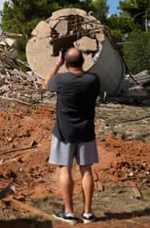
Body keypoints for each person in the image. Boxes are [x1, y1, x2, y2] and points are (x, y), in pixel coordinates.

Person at [43, 48, 100, 224]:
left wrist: (57, 64)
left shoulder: (60, 80)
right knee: (86, 169)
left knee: (64, 169)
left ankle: (68, 213)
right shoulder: (93, 80)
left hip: (63, 132)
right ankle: (88, 213)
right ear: (83, 61)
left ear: (65, 62)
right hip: (86, 131)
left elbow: (46, 83)